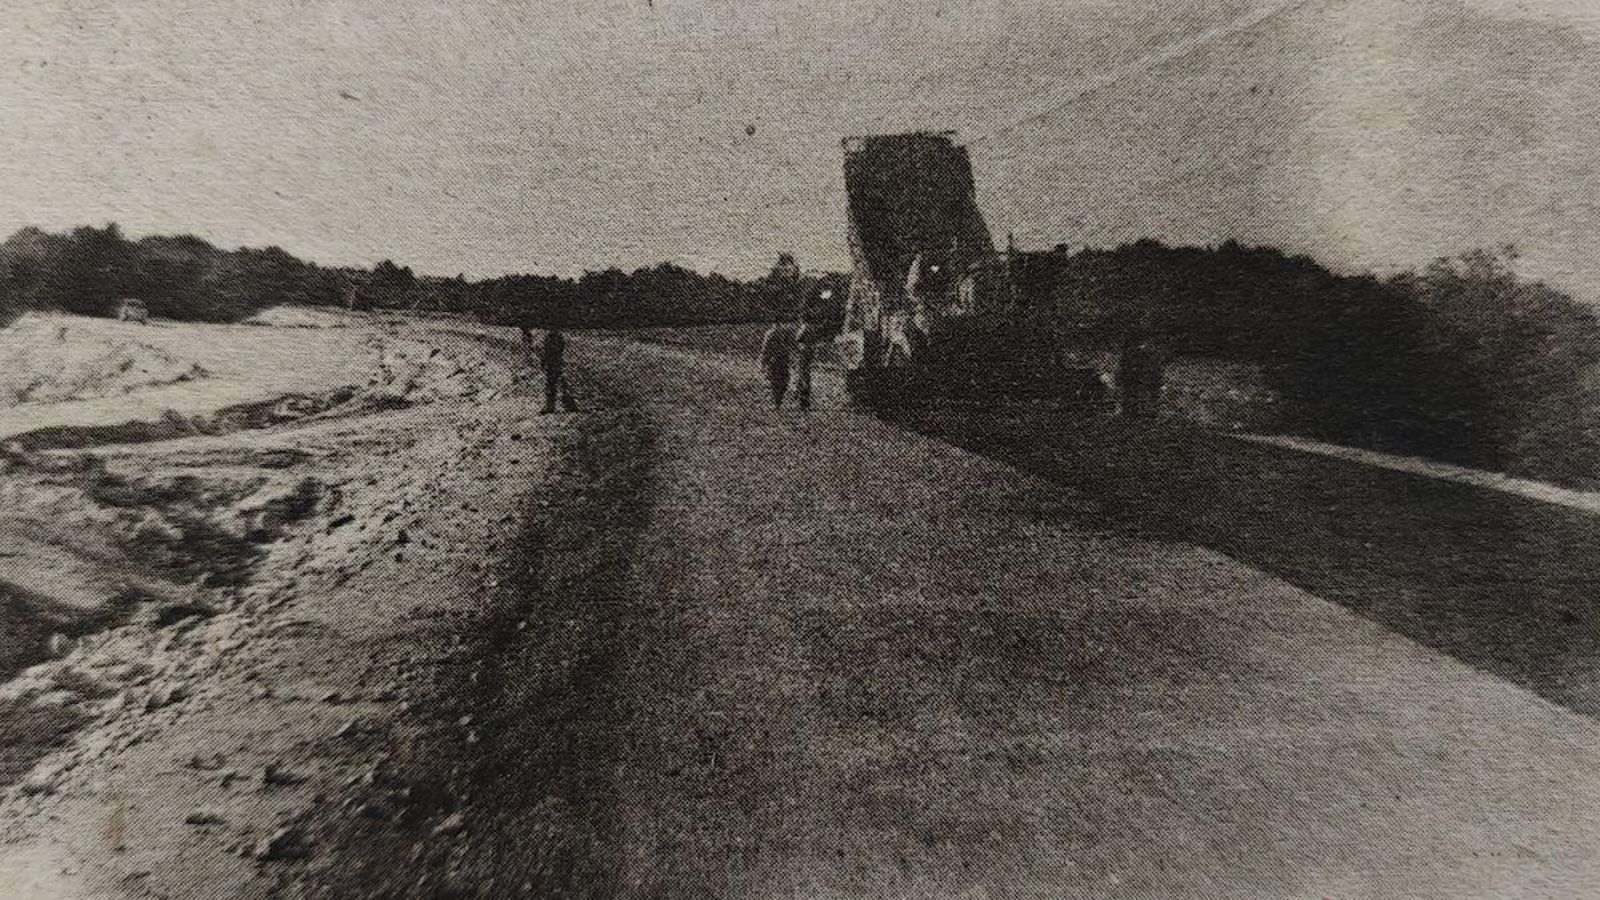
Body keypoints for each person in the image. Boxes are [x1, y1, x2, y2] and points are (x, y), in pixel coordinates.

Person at [759, 323, 796, 409]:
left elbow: (765, 349)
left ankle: (777, 401)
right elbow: (791, 346)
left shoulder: (770, 333)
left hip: (774, 360)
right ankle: (779, 400)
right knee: (784, 379)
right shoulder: (786, 333)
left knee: (775, 380)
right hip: (784, 359)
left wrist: (763, 363)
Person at [793, 323, 816, 411]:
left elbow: (798, 338)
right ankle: (806, 399)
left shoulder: (804, 327)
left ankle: (801, 400)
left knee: (801, 375)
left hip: (803, 352)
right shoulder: (812, 328)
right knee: (806, 375)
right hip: (810, 351)